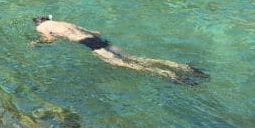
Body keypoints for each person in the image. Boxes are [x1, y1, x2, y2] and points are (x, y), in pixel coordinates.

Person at [31, 16, 208, 84]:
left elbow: (51, 40)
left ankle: (169, 74)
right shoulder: (63, 22)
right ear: (47, 17)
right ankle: (184, 67)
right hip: (97, 39)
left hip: (88, 43)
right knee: (135, 57)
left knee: (123, 65)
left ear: (38, 23)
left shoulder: (42, 28)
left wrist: (36, 43)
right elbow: (92, 31)